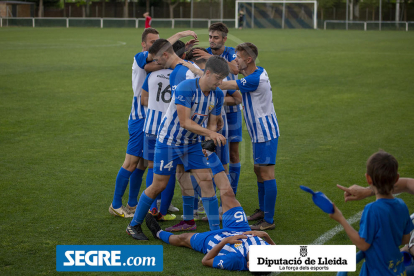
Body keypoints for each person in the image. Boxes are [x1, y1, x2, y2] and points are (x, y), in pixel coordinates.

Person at [126, 47, 230, 240]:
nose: (220, 83)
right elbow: (185, 122)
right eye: (218, 78)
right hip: (169, 142)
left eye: (223, 78)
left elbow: (213, 124)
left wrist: (211, 137)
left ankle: (216, 232)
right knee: (159, 185)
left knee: (207, 182)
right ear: (207, 73)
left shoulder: (217, 95)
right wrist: (209, 133)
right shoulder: (186, 88)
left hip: (191, 144)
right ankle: (133, 225)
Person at [109, 30, 197, 218]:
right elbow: (161, 55)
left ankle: (134, 203)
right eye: (152, 42)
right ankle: (116, 204)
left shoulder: (158, 66)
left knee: (142, 164)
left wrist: (179, 53)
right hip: (141, 117)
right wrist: (180, 37)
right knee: (132, 162)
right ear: (143, 45)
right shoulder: (141, 58)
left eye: (158, 41)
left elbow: (165, 59)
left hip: (152, 118)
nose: (156, 45)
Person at [143, 150, 275, 272]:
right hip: (241, 228)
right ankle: (211, 153)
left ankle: (158, 233)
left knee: (182, 238)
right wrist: (265, 235)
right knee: (228, 194)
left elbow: (206, 261)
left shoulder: (233, 261)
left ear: (248, 265)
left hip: (216, 241)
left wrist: (226, 241)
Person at [219, 42, 280, 230]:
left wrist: (200, 72)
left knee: (267, 173)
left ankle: (268, 221)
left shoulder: (254, 79)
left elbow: (223, 84)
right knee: (258, 169)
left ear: (248, 59)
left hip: (264, 132)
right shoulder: (258, 71)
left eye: (237, 57)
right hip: (259, 131)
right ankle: (262, 210)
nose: (235, 60)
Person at [329, 150, 414, 276]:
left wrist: (340, 218)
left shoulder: (372, 209)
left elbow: (363, 244)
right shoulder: (402, 205)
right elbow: (405, 238)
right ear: (396, 178)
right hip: (398, 271)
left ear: (368, 179)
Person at [192, 22, 242, 203]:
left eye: (216, 37)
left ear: (224, 39)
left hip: (232, 110)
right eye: (210, 37)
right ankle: (205, 197)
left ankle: (230, 194)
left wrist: (210, 58)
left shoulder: (231, 53)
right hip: (211, 110)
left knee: (232, 154)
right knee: (207, 152)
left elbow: (236, 69)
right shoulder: (203, 52)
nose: (212, 41)